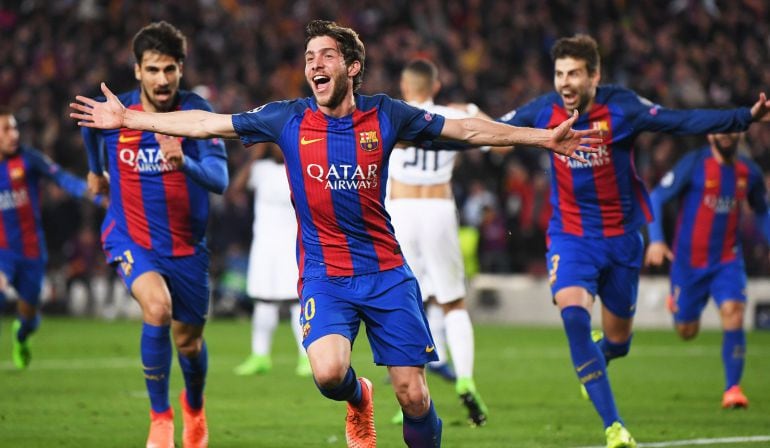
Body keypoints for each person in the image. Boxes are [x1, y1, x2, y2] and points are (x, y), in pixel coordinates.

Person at [71, 19, 599, 448]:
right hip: (325, 274)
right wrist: (132, 120)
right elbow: (210, 126)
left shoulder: (386, 115)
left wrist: (539, 138)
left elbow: (466, 130)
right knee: (327, 373)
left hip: (386, 272)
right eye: (308, 58)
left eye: (324, 56)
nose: (313, 65)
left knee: (414, 396)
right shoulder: (286, 119)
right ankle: (358, 399)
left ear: (352, 66)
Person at [496, 34, 770, 448]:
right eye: (559, 74)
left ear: (595, 75)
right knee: (573, 314)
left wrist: (742, 117)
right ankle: (614, 427)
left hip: (623, 241)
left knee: (619, 343)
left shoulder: (622, 107)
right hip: (571, 238)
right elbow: (491, 128)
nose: (565, 82)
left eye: (574, 73)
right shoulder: (543, 110)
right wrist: (431, 132)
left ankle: (600, 356)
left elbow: (681, 121)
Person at [78, 22, 228, 448]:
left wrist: (184, 164)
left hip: (186, 248)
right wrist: (94, 169)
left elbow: (218, 178)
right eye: (153, 70)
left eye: (170, 69)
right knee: (157, 308)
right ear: (138, 71)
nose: (162, 79)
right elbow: (90, 127)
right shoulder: (116, 111)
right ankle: (160, 419)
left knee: (190, 343)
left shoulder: (195, 114)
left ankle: (194, 406)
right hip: (131, 236)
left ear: (181, 70)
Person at [387, 59, 487, 427]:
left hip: (401, 210)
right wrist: (473, 110)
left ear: (405, 84)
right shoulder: (449, 114)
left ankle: (410, 395)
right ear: (436, 85)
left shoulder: (393, 114)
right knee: (453, 302)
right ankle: (465, 378)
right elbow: (500, 144)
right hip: (439, 207)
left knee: (406, 300)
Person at [645, 132, 769, 409]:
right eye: (721, 130)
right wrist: (656, 240)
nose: (726, 135)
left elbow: (761, 210)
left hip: (727, 260)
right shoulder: (694, 164)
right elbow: (656, 197)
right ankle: (677, 306)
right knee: (686, 331)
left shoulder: (749, 172)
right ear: (711, 134)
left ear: (740, 133)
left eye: (732, 129)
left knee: (734, 312)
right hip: (689, 264)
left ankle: (733, 389)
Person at [0, 106, 103, 369]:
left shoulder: (28, 159)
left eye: (14, 128)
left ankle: (21, 337)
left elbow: (62, 178)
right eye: (6, 129)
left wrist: (89, 192)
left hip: (32, 251)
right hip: (3, 252)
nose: (14, 134)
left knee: (29, 317)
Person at [230, 142, 311, 378]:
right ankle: (260, 356)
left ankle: (306, 357)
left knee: (298, 302)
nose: (279, 147)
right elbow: (236, 189)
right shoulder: (261, 169)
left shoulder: (302, 168)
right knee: (264, 301)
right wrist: (253, 158)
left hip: (295, 244)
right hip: (264, 246)